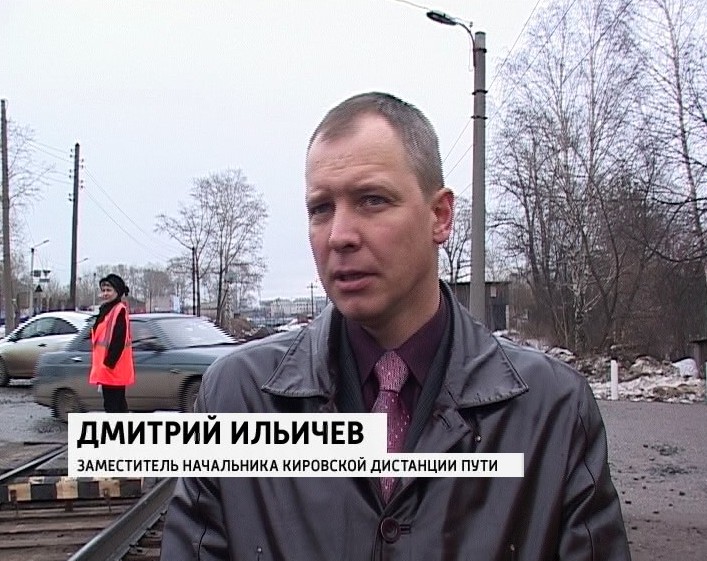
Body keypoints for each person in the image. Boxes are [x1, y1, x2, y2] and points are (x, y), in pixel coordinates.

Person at [160, 92, 631, 560]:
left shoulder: (553, 410)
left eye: (372, 200)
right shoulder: (236, 398)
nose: (339, 235)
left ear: (439, 216)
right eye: (321, 208)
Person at [89, 273, 135, 413]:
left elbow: (118, 340)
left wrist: (108, 363)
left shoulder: (118, 310)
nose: (105, 293)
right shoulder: (106, 310)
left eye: (109, 290)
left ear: (117, 292)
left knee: (113, 407)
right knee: (118, 407)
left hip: (112, 368)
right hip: (107, 369)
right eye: (103, 290)